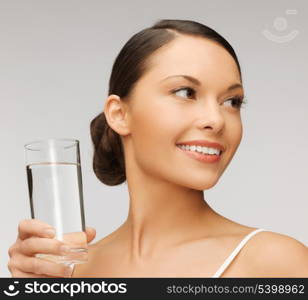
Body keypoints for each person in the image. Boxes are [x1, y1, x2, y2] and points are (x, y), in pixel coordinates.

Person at [8, 19, 308, 278]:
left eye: (232, 102)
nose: (216, 120)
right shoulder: (71, 271)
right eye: (185, 92)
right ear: (119, 114)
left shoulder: (275, 263)